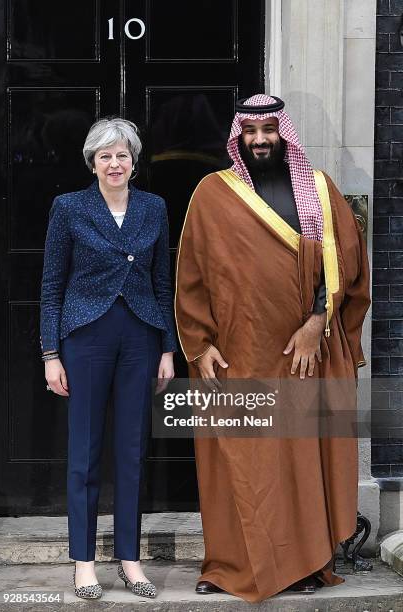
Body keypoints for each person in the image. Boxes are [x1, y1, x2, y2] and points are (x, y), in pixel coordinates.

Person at [174, 94, 370, 602]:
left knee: (301, 459)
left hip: (306, 354)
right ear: (238, 137)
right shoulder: (212, 194)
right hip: (237, 353)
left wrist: (317, 321)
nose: (261, 139)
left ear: (285, 134)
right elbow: (191, 275)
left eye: (270, 130)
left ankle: (305, 564)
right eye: (251, 131)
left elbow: (345, 266)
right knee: (239, 461)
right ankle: (226, 565)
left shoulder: (320, 191)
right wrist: (199, 345)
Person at [40, 117, 177, 600]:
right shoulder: (69, 208)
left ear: (134, 162)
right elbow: (52, 285)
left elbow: (163, 281)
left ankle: (130, 560)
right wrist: (50, 354)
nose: (114, 163)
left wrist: (166, 347)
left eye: (122, 155)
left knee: (132, 451)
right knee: (85, 452)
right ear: (92, 163)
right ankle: (83, 564)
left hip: (140, 337)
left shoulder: (154, 208)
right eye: (105, 156)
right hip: (86, 339)